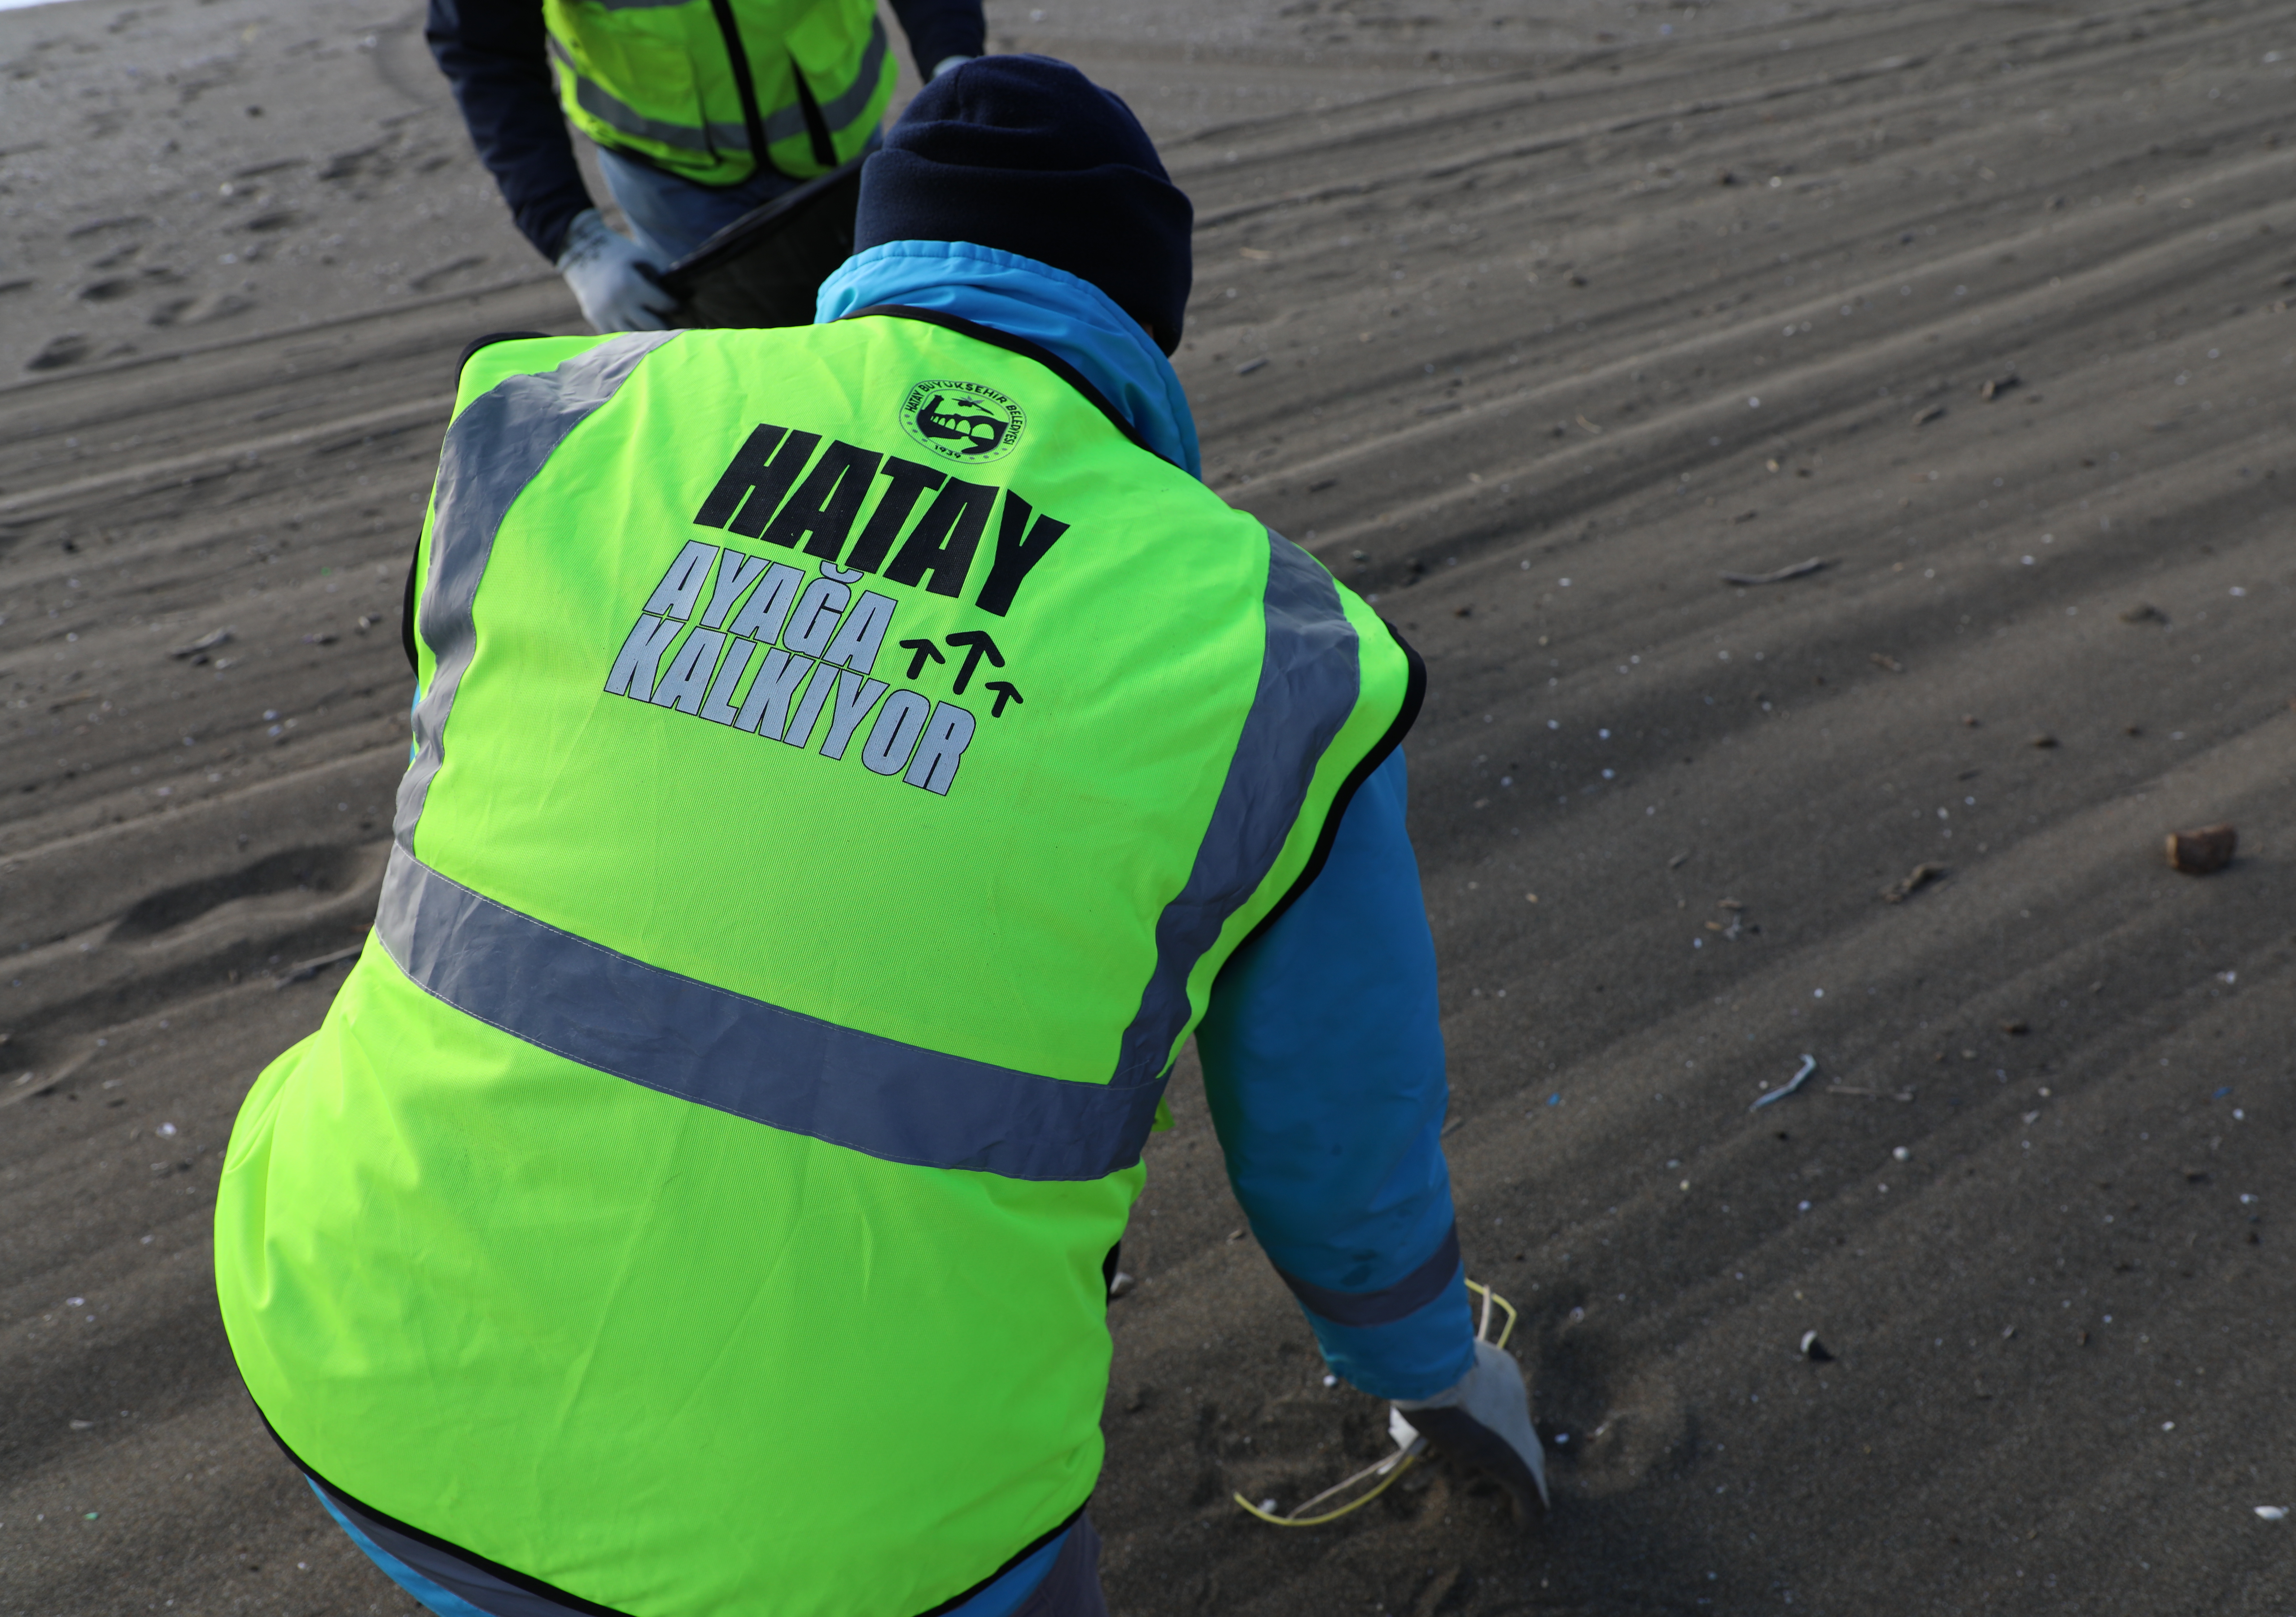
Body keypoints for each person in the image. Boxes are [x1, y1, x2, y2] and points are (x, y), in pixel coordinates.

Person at [213, 56, 1544, 1617]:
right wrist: (1434, 1374)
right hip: (855, 1556)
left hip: (343, 1352)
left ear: (871, 255)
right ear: (1146, 316)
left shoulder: (551, 422)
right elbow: (1337, 1133)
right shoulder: (1275, 650)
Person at [425, 0, 987, 332]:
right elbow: (486, 51)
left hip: (846, 150)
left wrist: (956, 65)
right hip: (670, 182)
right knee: (746, 384)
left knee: (887, 338)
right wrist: (573, 238)